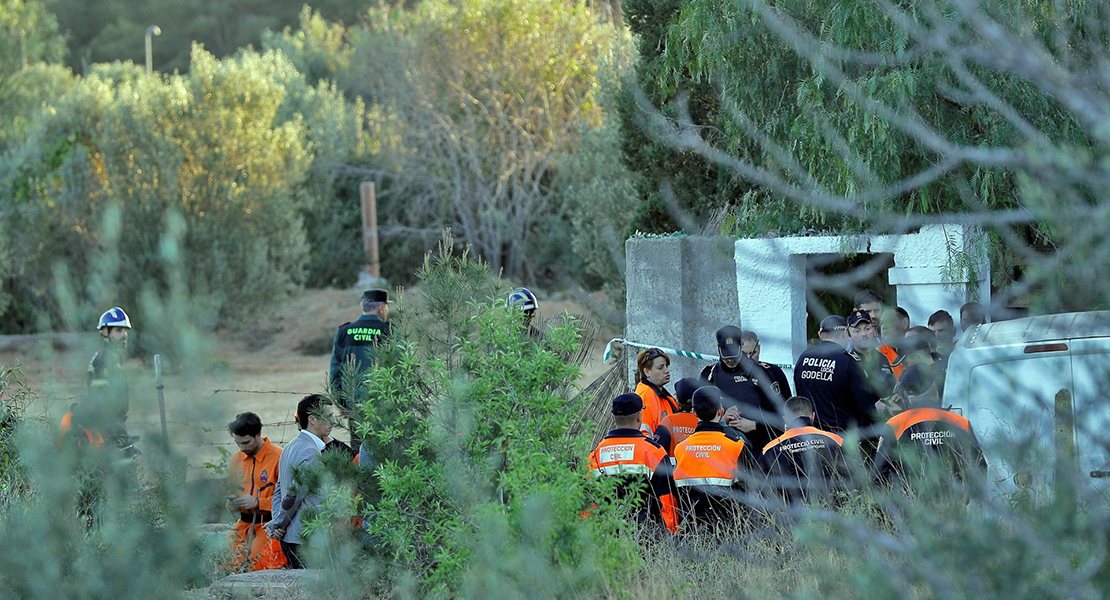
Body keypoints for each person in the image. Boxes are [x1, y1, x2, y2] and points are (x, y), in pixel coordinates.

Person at [874, 366, 987, 486]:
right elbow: (980, 468)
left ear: (906, 394)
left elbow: (880, 477)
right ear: (935, 388)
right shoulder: (960, 423)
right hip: (955, 500)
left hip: (911, 503)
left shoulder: (895, 425)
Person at [586, 393, 679, 533]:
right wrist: (673, 532)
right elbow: (667, 499)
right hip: (646, 537)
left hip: (607, 538)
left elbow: (588, 500)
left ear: (613, 418)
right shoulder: (654, 452)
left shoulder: (595, 455)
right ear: (639, 417)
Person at [672, 386, 761, 526]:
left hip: (692, 528)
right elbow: (751, 486)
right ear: (721, 410)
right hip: (730, 525)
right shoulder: (736, 444)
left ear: (694, 412)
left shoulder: (681, 448)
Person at [700, 325, 790, 454]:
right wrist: (721, 420)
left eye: (733, 354)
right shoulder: (709, 375)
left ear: (741, 345)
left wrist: (755, 425)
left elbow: (784, 416)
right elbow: (700, 420)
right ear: (718, 348)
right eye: (726, 355)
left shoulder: (768, 373)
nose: (730, 360)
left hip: (763, 451)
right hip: (725, 452)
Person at [267, 395, 332, 568]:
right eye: (327, 416)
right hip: (306, 539)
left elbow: (279, 490)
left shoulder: (290, 447)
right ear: (312, 419)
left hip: (290, 535)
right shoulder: (310, 451)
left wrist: (278, 523)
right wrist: (278, 523)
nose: (332, 421)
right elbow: (294, 494)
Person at [62, 307, 138, 456]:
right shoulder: (105, 359)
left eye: (125, 331)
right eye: (118, 331)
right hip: (105, 428)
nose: (124, 335)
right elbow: (100, 398)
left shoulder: (111, 357)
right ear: (104, 332)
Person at [793, 316, 877, 434]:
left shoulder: (803, 358)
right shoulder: (849, 362)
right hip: (841, 438)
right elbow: (866, 407)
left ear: (820, 335)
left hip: (811, 436)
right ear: (844, 333)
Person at [329, 289, 391, 449]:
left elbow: (336, 371)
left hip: (354, 405)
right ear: (381, 308)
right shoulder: (389, 331)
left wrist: (342, 403)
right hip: (384, 405)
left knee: (360, 453)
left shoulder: (344, 332)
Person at [225, 412, 285, 571]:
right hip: (243, 525)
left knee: (258, 565)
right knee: (224, 561)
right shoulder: (235, 460)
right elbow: (231, 492)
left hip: (268, 525)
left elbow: (289, 499)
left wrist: (258, 502)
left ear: (258, 435)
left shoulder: (279, 457)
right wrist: (233, 504)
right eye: (238, 444)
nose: (242, 448)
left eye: (246, 443)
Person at [760, 396, 847, 502]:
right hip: (834, 508)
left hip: (793, 512)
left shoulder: (770, 449)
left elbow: (762, 488)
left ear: (785, 420)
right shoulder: (835, 440)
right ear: (813, 416)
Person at [846, 309, 896, 400]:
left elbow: (892, 387)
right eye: (857, 331)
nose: (864, 334)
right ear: (849, 334)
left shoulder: (882, 358)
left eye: (867, 329)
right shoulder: (848, 362)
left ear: (873, 330)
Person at [633, 348, 680, 438]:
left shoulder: (659, 394)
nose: (666, 370)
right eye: (660, 367)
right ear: (647, 372)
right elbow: (644, 437)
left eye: (667, 366)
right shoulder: (646, 396)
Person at [655, 377, 703, 456]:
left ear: (677, 399)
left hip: (674, 467)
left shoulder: (669, 421)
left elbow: (656, 450)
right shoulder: (703, 421)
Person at [878, 307, 911, 379]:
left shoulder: (919, 349)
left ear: (904, 323)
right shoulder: (878, 354)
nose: (883, 327)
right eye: (881, 323)